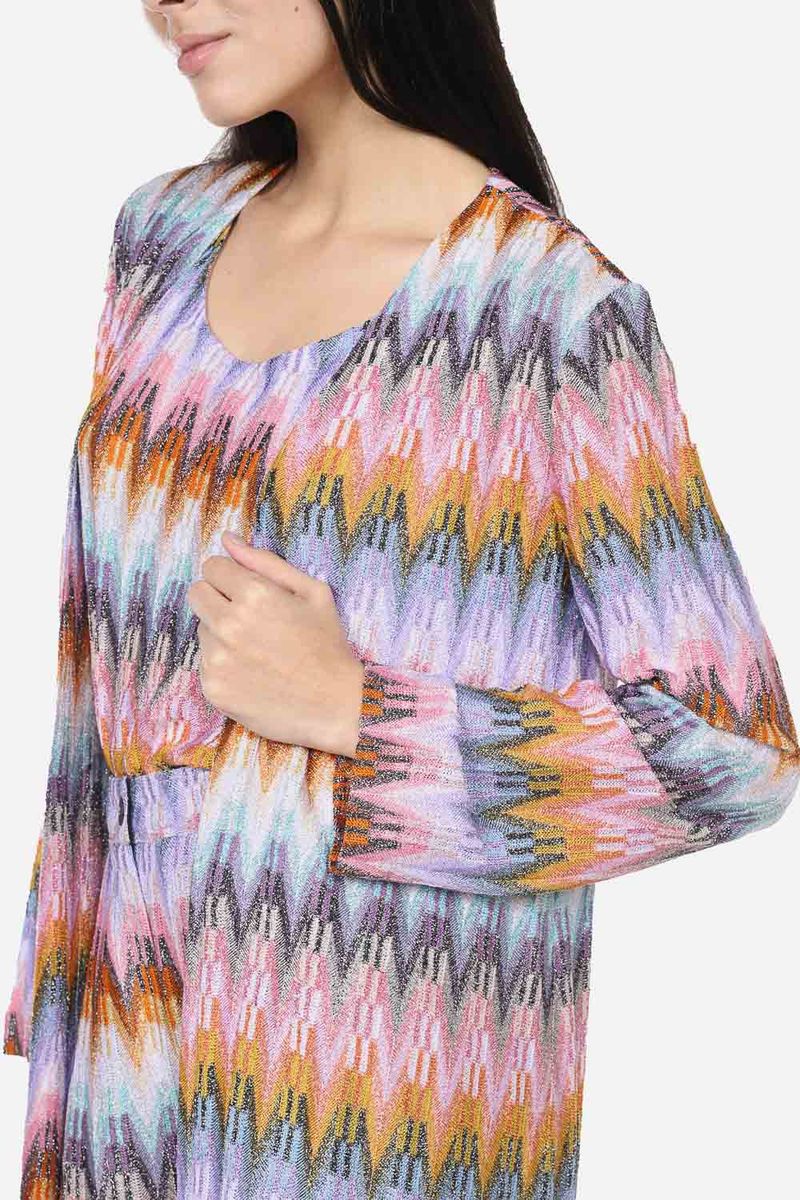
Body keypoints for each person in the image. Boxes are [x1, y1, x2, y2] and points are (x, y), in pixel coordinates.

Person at [4, 2, 798, 1198]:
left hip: (381, 1093)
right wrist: (65, 1010)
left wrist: (364, 716)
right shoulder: (163, 237)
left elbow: (732, 750)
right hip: (136, 1057)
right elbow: (94, 681)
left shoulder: (545, 312)